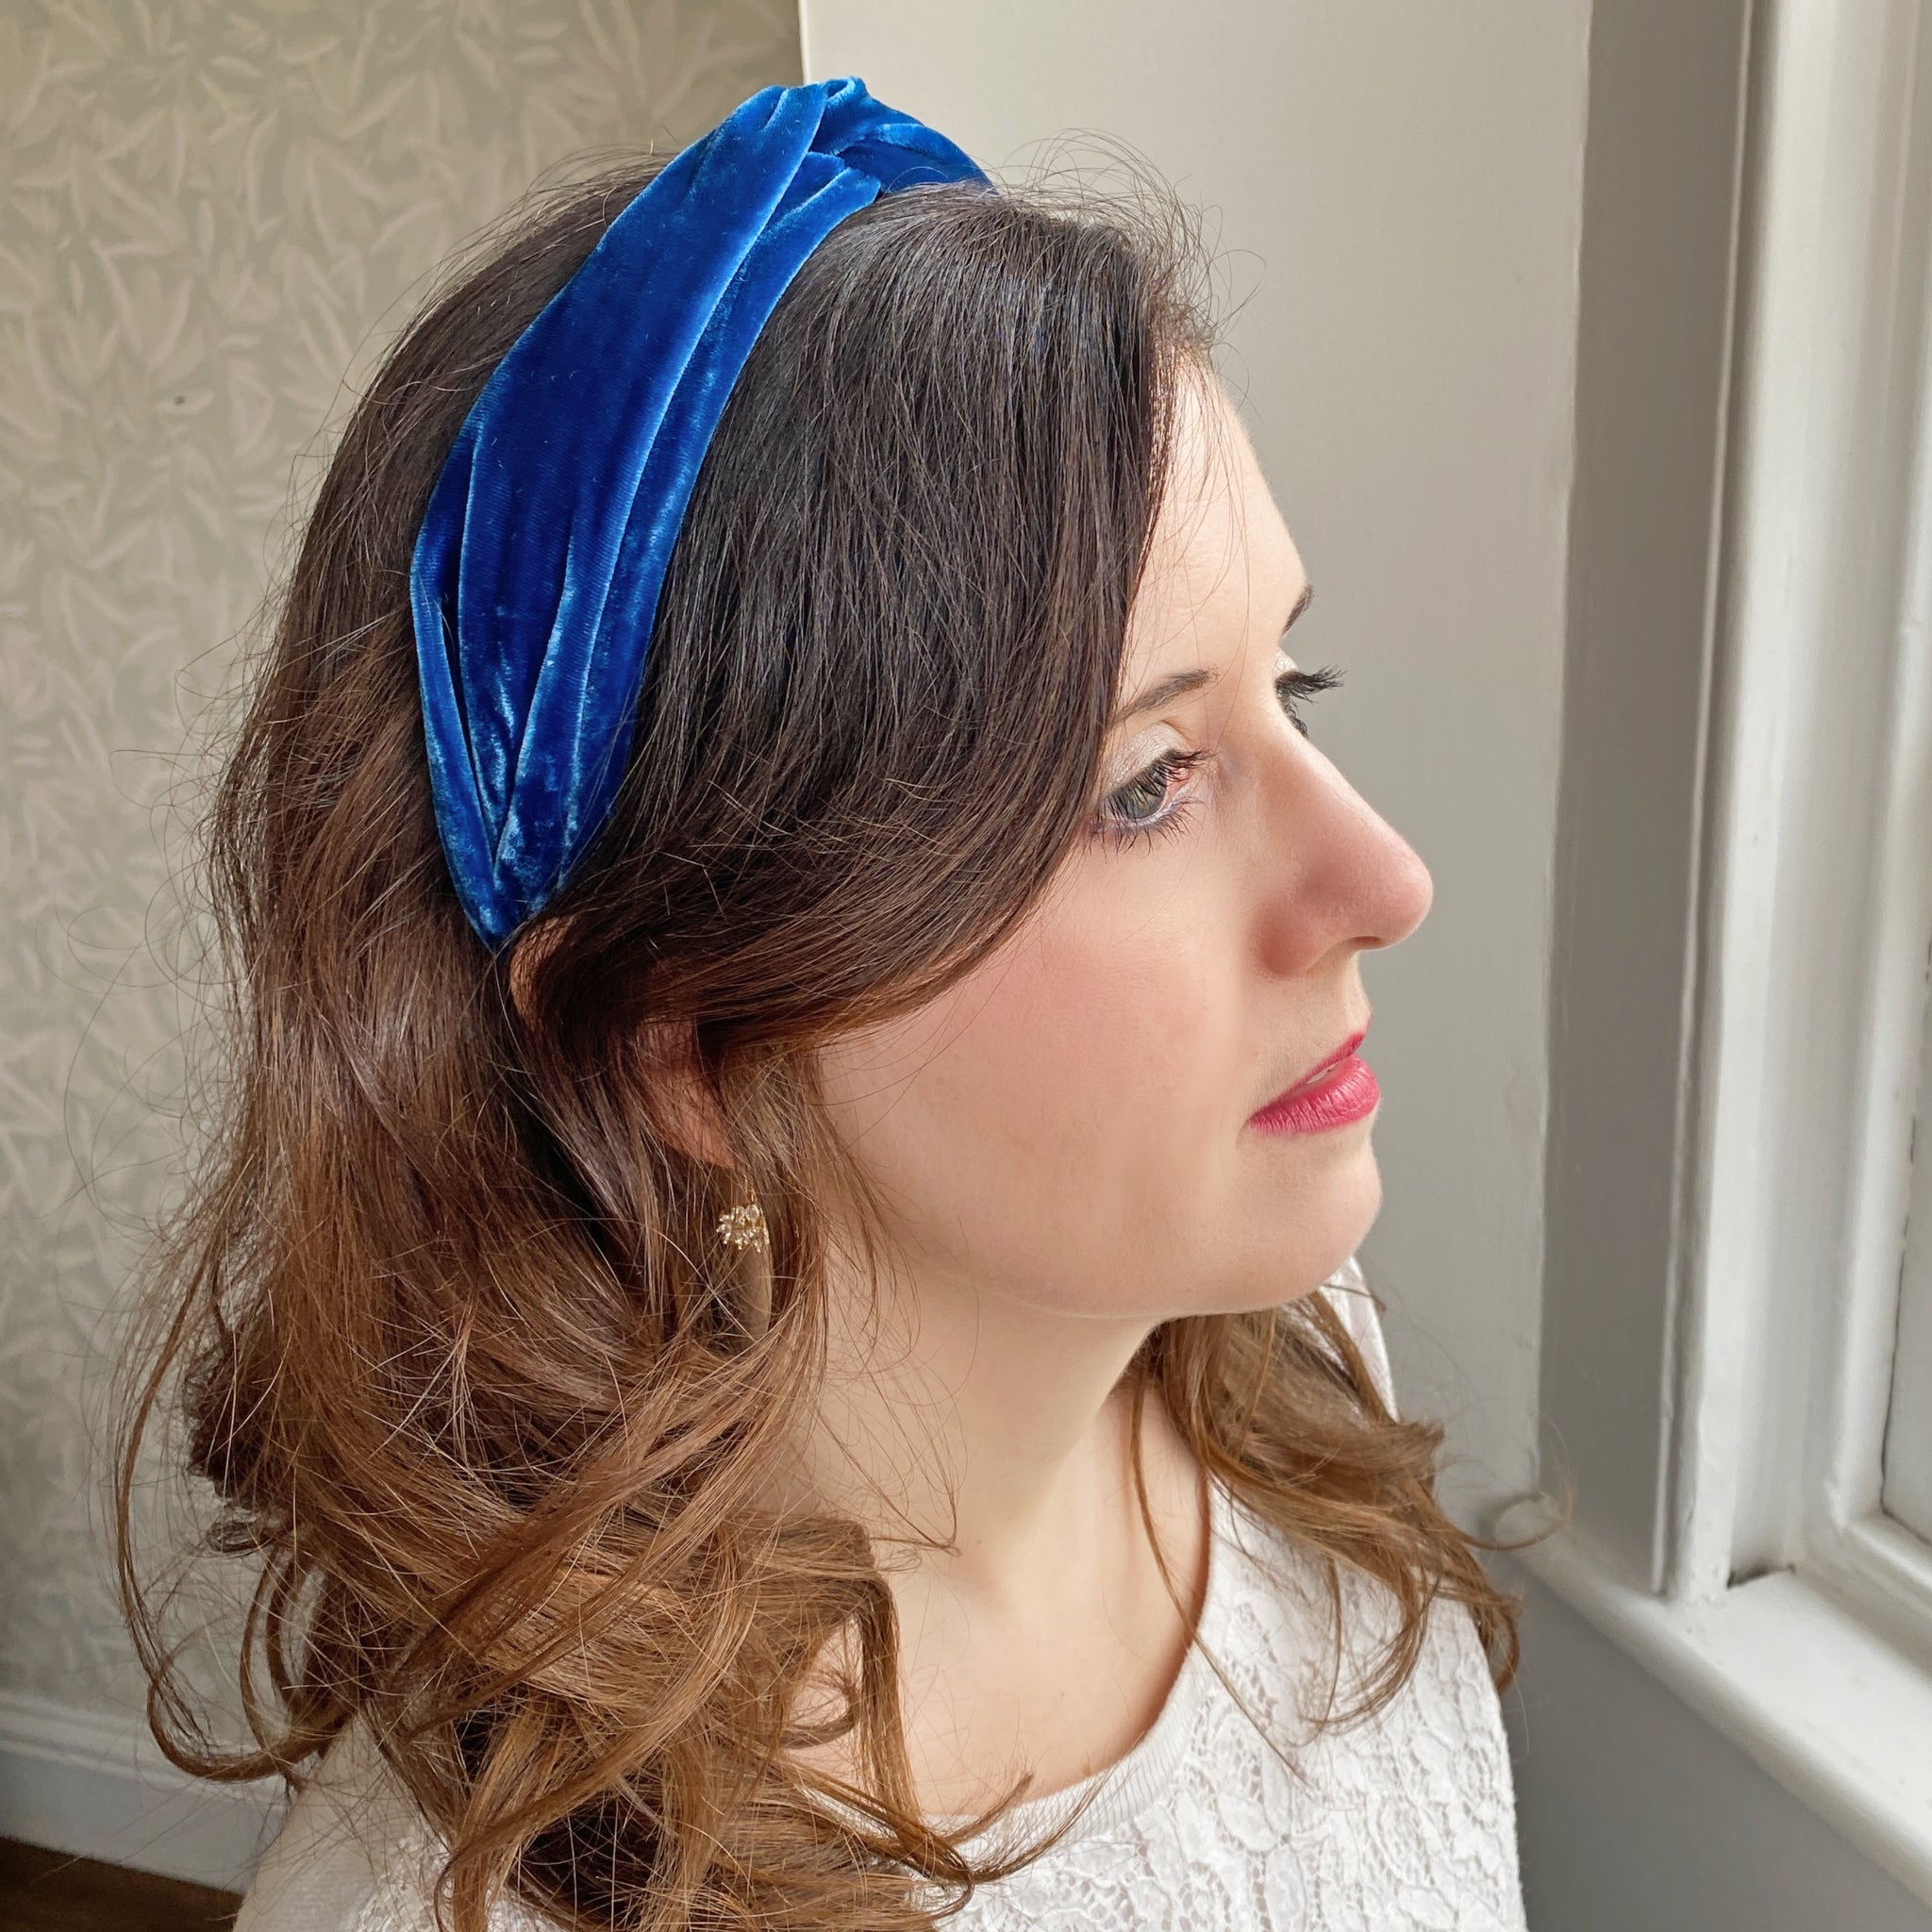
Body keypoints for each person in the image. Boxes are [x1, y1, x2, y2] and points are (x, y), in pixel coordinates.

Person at [113, 75, 1543, 1932]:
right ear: (677, 1040)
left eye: (1296, 682)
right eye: (1144, 784)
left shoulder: (1292, 1360)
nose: (1388, 882)